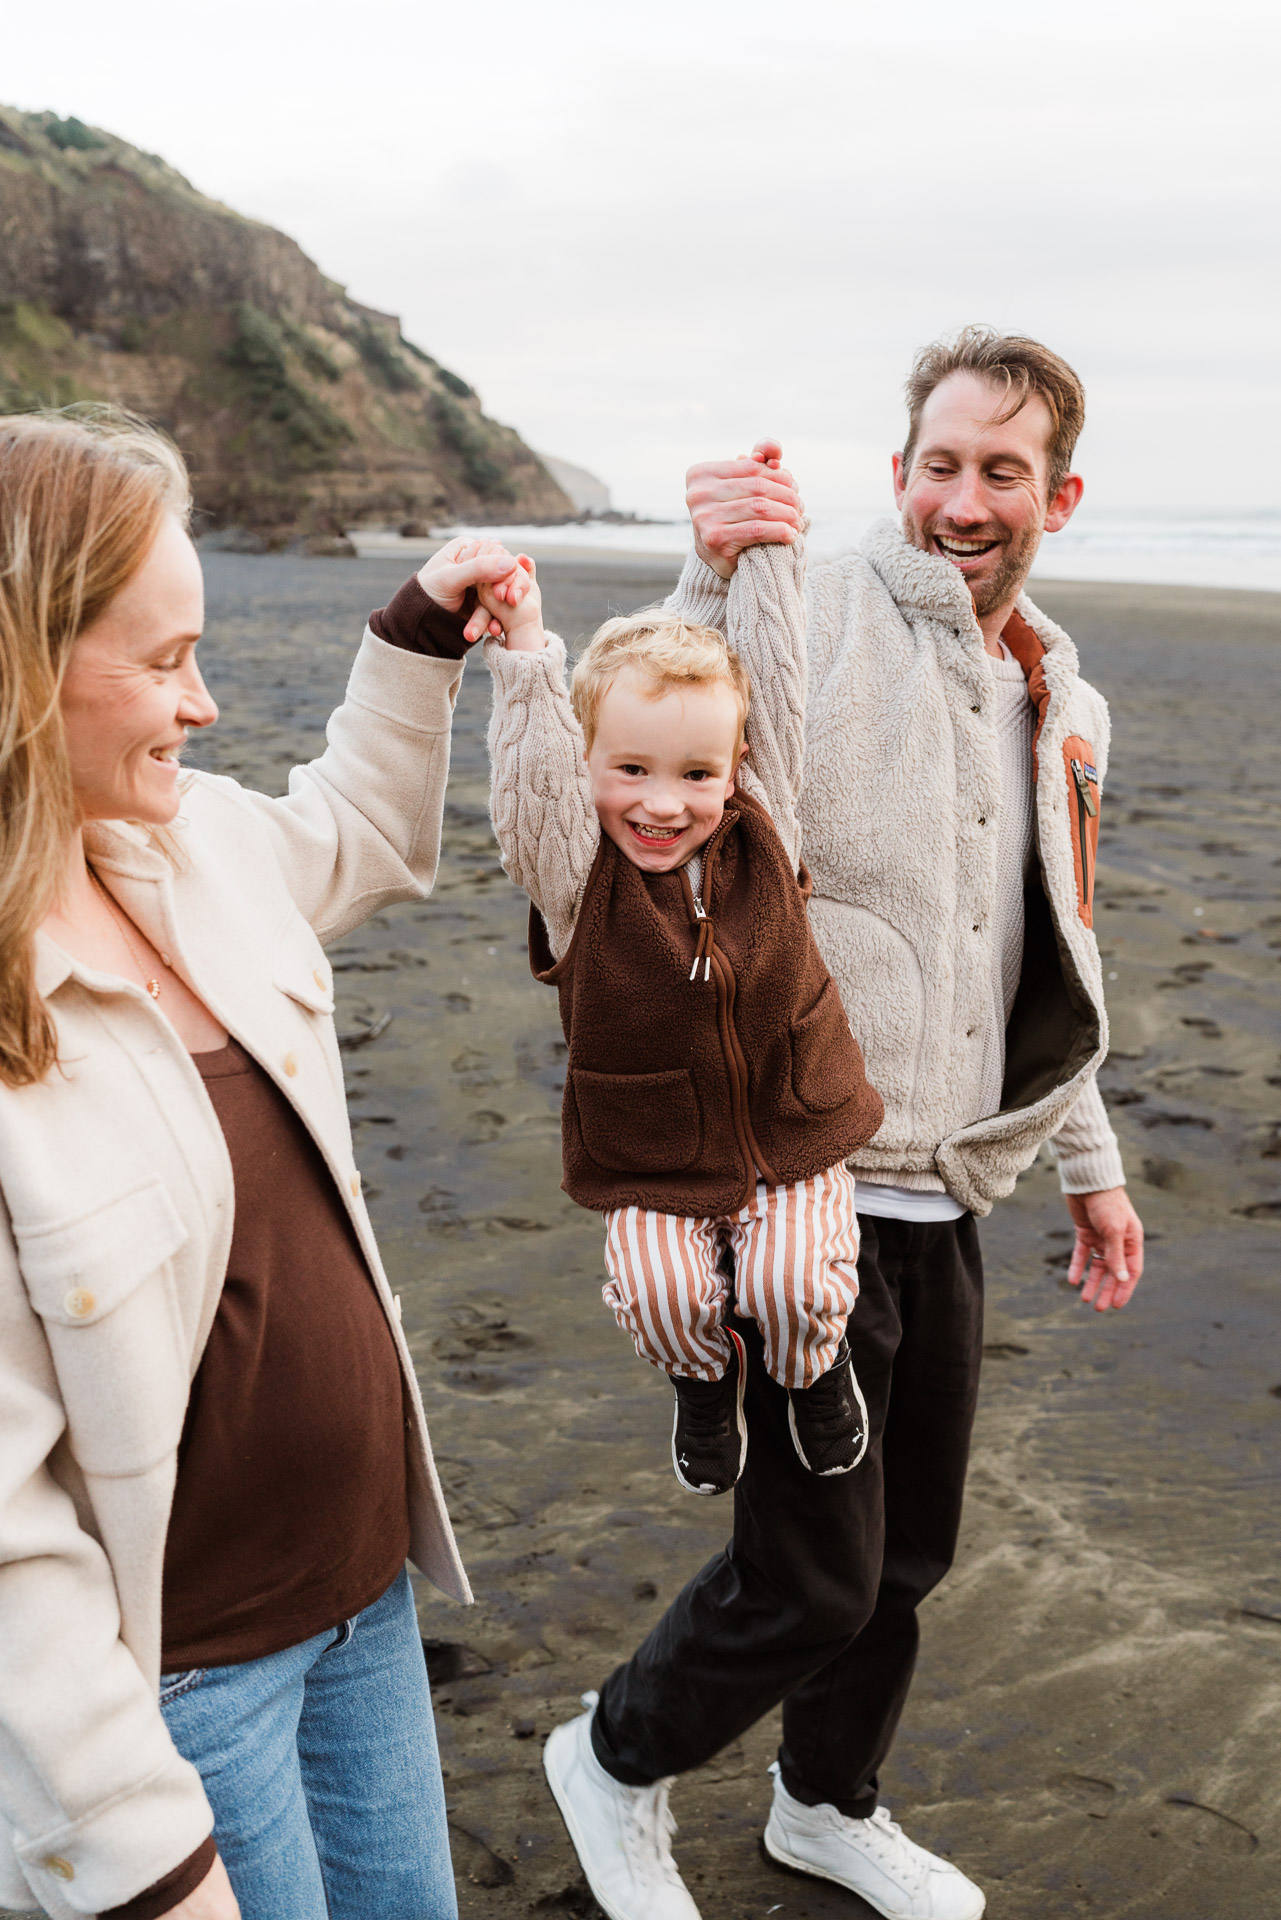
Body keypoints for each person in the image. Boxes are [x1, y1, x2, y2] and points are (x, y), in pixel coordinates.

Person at [539, 329, 1146, 1920]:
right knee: (806, 1571)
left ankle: (824, 1802)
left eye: (998, 470)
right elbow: (660, 722)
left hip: (959, 1187)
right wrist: (707, 557)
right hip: (800, 1182)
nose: (962, 496)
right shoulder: (806, 602)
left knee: (901, 1566)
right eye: (937, 463)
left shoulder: (1064, 697)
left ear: (1056, 497)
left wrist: (1090, 1165)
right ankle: (610, 1758)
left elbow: (1056, 947)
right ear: (897, 475)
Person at [0, 407, 531, 1920]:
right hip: (179, 1691)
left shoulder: (194, 846)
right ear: (21, 670)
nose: (210, 704)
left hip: (366, 1608)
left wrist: (419, 637)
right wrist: (140, 1858)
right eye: (164, 663)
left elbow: (358, 829)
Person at [476, 521, 883, 1497]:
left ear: (735, 767)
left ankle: (812, 1376)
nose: (663, 804)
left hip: (794, 1119)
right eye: (630, 771)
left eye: (697, 775)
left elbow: (778, 686)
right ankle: (704, 1385)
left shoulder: (763, 828)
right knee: (663, 1295)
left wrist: (770, 554)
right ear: (589, 766)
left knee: (793, 1287)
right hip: (652, 1144)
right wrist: (525, 650)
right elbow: (531, 783)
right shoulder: (575, 876)